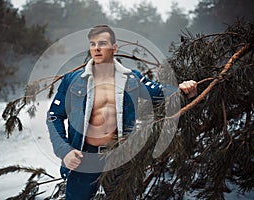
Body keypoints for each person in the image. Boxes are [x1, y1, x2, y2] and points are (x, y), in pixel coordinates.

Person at [46, 25, 197, 199]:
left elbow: (159, 93)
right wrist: (64, 151)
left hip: (118, 159)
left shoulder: (131, 78)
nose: (96, 48)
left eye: (102, 43)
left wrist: (183, 90)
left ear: (114, 47)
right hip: (83, 158)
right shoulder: (72, 80)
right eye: (92, 44)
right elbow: (54, 116)